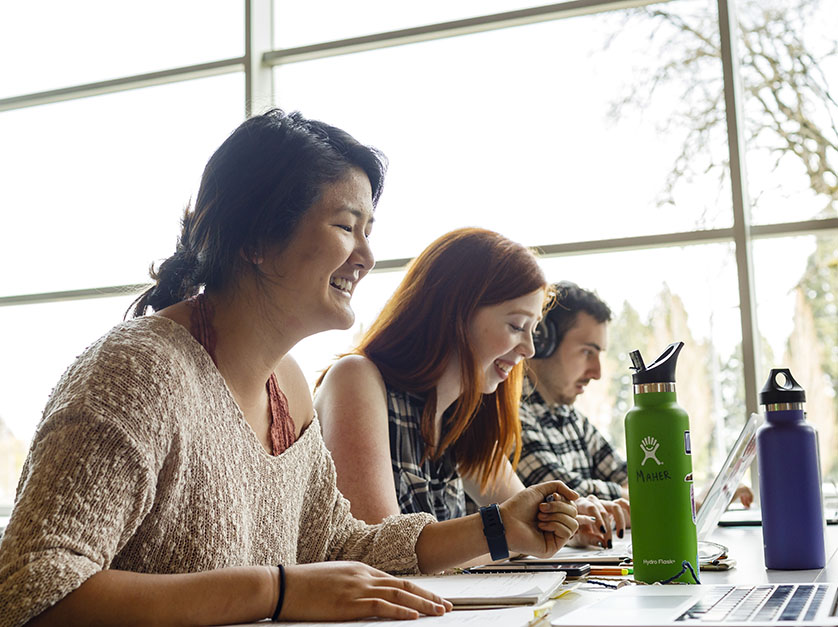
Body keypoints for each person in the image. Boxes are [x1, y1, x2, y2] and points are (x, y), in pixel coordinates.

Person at [0, 111, 578, 627]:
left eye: (368, 231)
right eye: (346, 226)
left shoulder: (289, 384)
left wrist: (499, 528)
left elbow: (337, 545)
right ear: (256, 237)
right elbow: (34, 592)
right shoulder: (138, 372)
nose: (367, 256)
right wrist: (274, 591)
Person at [314, 228, 580, 564]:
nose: (528, 349)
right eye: (516, 326)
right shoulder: (357, 379)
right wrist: (500, 536)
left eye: (533, 330)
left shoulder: (462, 414)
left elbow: (527, 527)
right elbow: (379, 558)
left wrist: (569, 519)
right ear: (454, 312)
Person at [518, 281, 753, 548]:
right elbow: (569, 499)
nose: (597, 372)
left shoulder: (571, 418)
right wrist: (683, 500)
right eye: (587, 352)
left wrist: (684, 495)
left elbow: (636, 479)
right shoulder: (511, 419)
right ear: (542, 341)